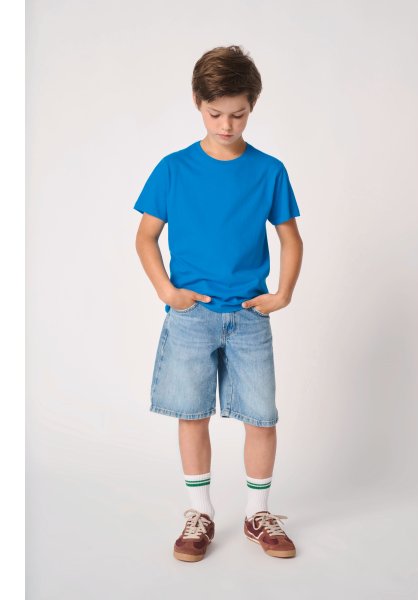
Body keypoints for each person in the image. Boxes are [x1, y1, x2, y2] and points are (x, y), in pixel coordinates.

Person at [133, 45, 303, 561]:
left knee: (262, 417)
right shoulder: (174, 169)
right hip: (191, 318)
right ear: (197, 103)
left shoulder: (269, 170)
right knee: (192, 413)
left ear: (252, 107)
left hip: (249, 316)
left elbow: (290, 238)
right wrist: (167, 292)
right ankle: (200, 512)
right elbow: (146, 237)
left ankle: (257, 513)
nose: (227, 125)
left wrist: (283, 293)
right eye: (215, 114)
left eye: (239, 114)